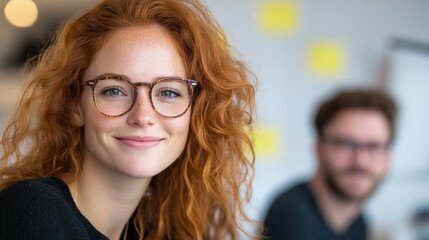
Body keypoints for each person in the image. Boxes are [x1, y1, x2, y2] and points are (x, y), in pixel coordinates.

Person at [0, 0, 259, 239]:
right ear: (74, 105)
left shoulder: (153, 229)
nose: (143, 116)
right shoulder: (31, 211)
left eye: (169, 92)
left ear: (196, 111)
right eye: (114, 90)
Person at [263, 89, 398, 240]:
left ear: (388, 157)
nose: (360, 160)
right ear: (318, 148)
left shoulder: (359, 223)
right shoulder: (290, 214)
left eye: (374, 146)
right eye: (346, 144)